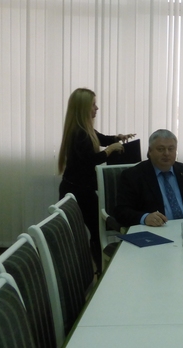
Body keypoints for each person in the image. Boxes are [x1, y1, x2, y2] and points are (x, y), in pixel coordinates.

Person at [58, 88, 135, 273]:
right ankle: (100, 269)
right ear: (83, 108)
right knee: (95, 230)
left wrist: (117, 138)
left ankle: (100, 268)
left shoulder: (84, 129)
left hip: (80, 189)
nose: (97, 108)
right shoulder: (79, 133)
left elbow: (101, 138)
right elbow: (91, 160)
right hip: (76, 192)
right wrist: (110, 150)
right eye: (93, 104)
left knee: (95, 229)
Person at [115, 129, 183, 227]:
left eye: (171, 149)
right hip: (154, 230)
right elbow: (121, 211)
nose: (166, 153)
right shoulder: (133, 175)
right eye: (160, 149)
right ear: (150, 151)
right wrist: (145, 218)